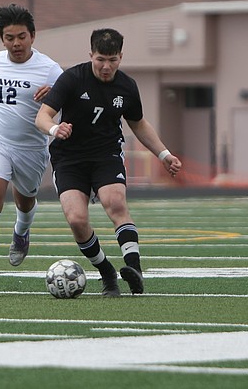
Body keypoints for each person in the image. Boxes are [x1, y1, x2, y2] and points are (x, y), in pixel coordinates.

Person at [35, 27, 182, 297]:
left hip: (106, 154)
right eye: (100, 59)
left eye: (112, 60)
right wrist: (55, 129)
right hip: (69, 157)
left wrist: (163, 154)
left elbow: (138, 123)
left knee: (115, 202)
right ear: (90, 55)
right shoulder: (72, 79)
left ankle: (134, 269)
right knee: (77, 219)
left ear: (121, 57)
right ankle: (106, 273)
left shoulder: (126, 86)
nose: (105, 66)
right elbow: (43, 116)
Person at [0, 4, 62, 293]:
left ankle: (21, 232)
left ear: (33, 36)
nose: (16, 43)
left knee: (25, 202)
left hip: (31, 149)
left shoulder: (50, 70)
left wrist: (56, 95)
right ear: (2, 39)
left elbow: (70, 101)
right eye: (9, 37)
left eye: (21, 36)